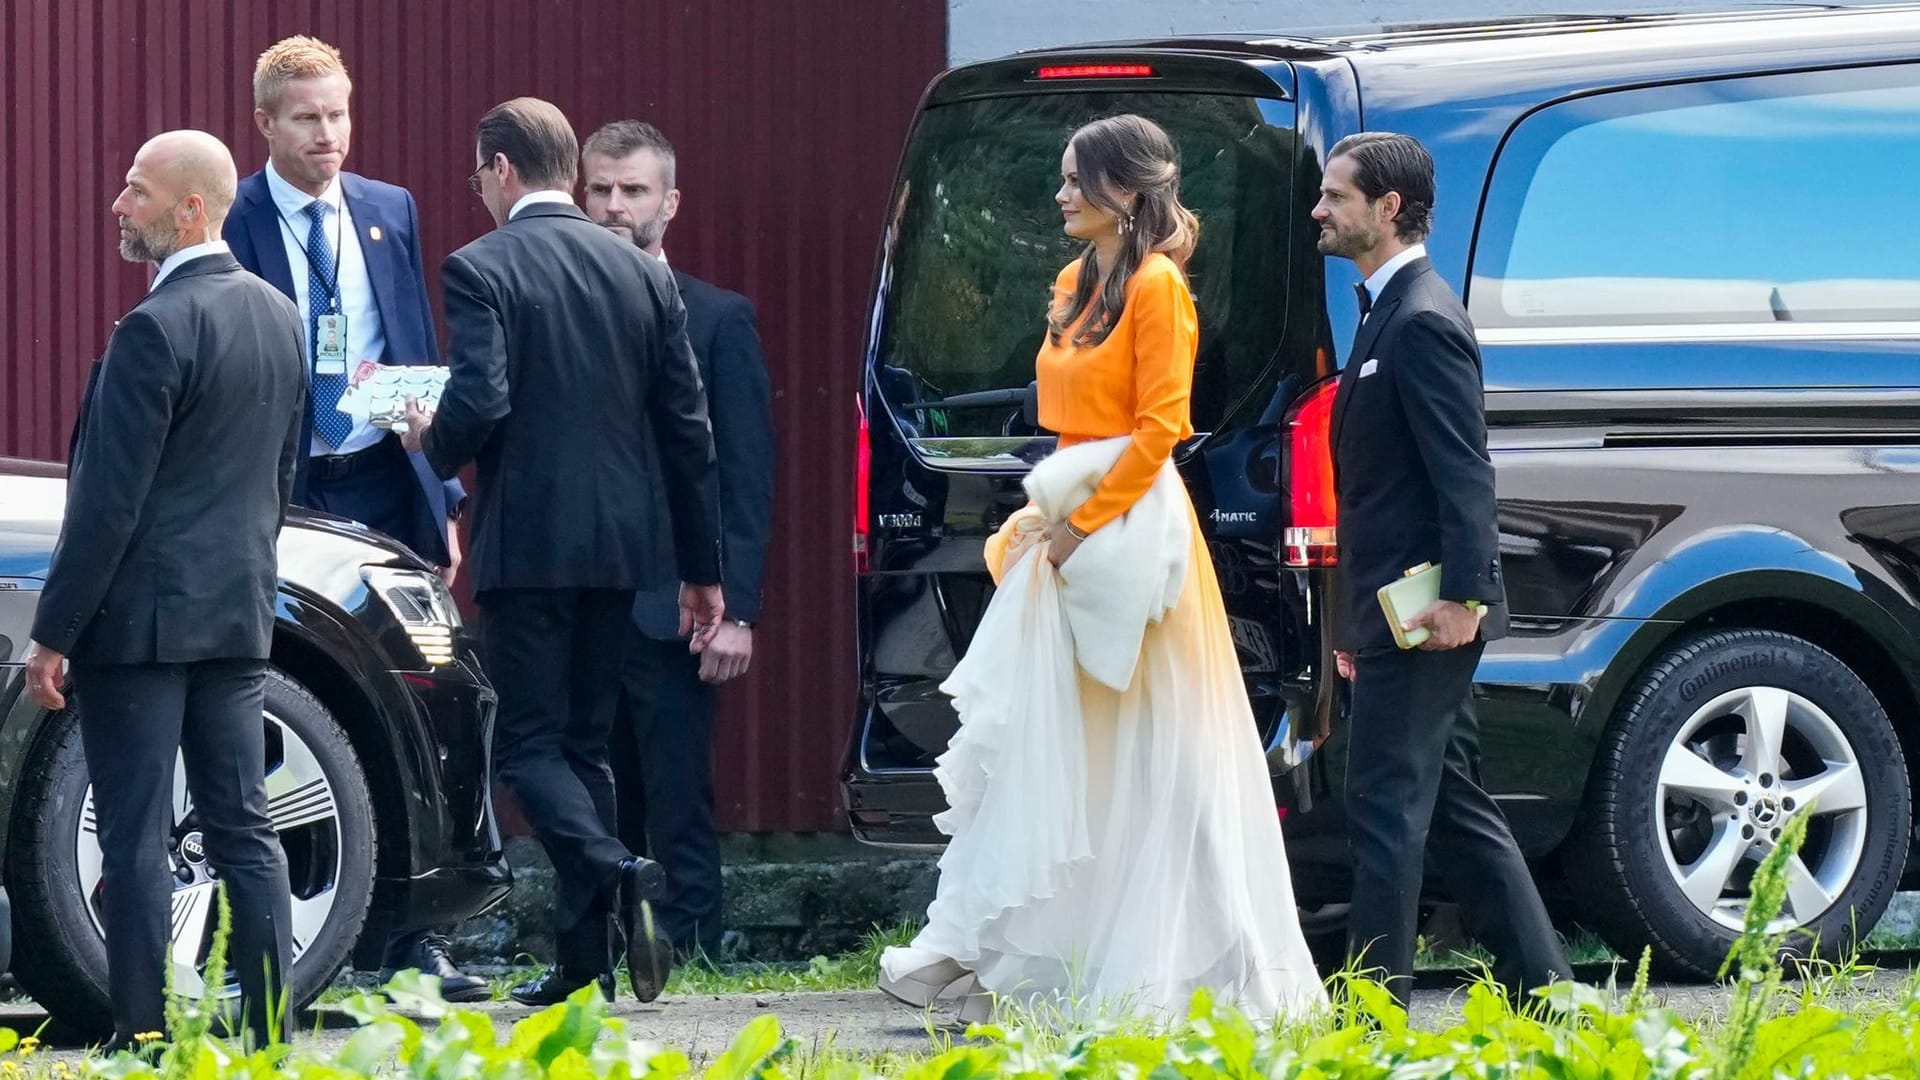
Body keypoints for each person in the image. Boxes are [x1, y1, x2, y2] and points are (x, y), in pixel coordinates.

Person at [877, 114, 1326, 1024]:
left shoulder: (1161, 289)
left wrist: (1081, 521)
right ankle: (997, 950)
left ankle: (1174, 957)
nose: (1061, 195)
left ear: (1126, 191)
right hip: (1067, 519)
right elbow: (1063, 421)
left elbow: (1162, 426)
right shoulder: (1072, 281)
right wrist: (1046, 514)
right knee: (1056, 748)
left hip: (1130, 537)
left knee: (1154, 752)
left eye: (1077, 180)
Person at [400, 97, 726, 1006]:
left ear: (503, 170)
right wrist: (703, 573)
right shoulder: (641, 274)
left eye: (478, 176)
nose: (478, 193)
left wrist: (432, 435)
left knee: (529, 752)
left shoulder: (480, 266)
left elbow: (484, 400)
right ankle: (586, 968)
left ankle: (617, 866)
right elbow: (688, 430)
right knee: (587, 751)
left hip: (530, 544)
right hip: (625, 549)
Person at [22, 130, 304, 1051]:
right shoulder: (276, 315)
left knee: (136, 834)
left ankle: (140, 1034)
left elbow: (107, 505)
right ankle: (268, 1035)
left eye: (135, 191)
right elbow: (280, 479)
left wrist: (52, 633)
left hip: (140, 628)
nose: (118, 205)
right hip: (237, 615)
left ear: (191, 209)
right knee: (244, 827)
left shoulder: (154, 328)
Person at [222, 34, 484, 1001]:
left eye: (337, 114)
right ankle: (296, 924)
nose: (327, 135)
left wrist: (442, 491)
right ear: (266, 125)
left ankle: (413, 942)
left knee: (415, 697)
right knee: (296, 691)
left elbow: (407, 338)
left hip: (381, 477)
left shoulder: (387, 210)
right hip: (287, 489)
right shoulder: (238, 215)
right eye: (306, 119)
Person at [1312, 131, 1573, 1007]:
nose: (1320, 210)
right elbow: (1384, 493)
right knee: (1452, 804)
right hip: (1391, 613)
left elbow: (1465, 473)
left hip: (1426, 614)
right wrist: (1355, 622)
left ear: (1388, 208)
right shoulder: (1388, 311)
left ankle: (1367, 1012)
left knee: (1384, 809)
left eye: (1335, 196)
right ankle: (1550, 992)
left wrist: (1466, 596)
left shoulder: (1422, 319)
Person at [581, 120, 775, 965]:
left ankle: (694, 950)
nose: (617, 205)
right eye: (602, 189)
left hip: (679, 605)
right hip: (583, 599)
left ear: (670, 202)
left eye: (634, 190)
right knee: (592, 791)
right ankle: (608, 949)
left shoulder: (720, 320)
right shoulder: (557, 307)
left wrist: (740, 608)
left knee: (677, 792)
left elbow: (746, 474)